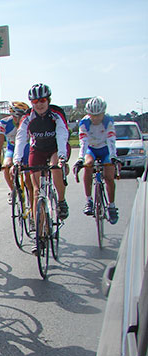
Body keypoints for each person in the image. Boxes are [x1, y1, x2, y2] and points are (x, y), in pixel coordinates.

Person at [14, 83, 70, 254]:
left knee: (55, 168)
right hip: (37, 149)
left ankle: (61, 201)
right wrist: (17, 161)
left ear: (48, 100)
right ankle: (39, 237)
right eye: (35, 101)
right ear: (31, 103)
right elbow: (21, 138)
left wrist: (62, 157)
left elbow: (62, 134)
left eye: (43, 100)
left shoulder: (56, 113)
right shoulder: (27, 117)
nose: (39, 104)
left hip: (55, 148)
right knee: (37, 191)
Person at [73, 96, 119, 224]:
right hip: (91, 149)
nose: (95, 118)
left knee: (109, 177)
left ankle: (111, 206)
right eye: (92, 115)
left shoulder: (108, 121)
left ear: (103, 113)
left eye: (98, 115)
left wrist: (113, 156)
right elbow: (83, 142)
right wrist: (80, 159)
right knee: (88, 165)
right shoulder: (84, 123)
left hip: (105, 149)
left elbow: (111, 140)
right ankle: (89, 200)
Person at [0, 101, 33, 203]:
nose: (19, 120)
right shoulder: (4, 123)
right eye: (16, 117)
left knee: (28, 181)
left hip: (26, 149)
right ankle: (13, 190)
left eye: (22, 117)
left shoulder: (29, 122)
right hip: (12, 149)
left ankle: (33, 208)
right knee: (7, 166)